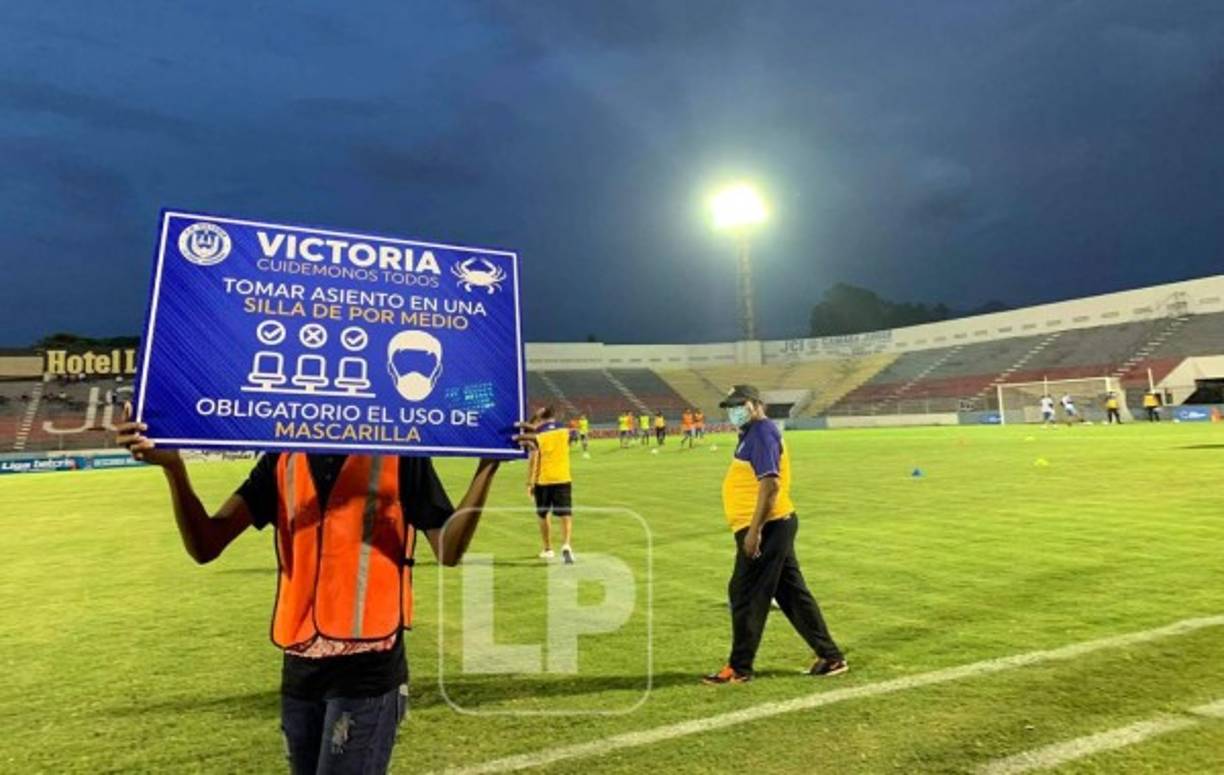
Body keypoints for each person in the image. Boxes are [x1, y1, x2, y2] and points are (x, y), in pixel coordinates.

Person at [114, 404, 507, 774]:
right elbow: (206, 545)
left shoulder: (400, 453)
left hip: (368, 665)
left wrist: (487, 467)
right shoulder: (281, 458)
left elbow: (448, 549)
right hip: (300, 663)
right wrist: (173, 469)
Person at [703, 385, 846, 684]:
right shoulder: (752, 434)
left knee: (744, 593)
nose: (733, 411)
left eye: (739, 404)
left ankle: (739, 668)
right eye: (730, 406)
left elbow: (770, 485)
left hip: (768, 527)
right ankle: (831, 657)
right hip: (773, 525)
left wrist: (754, 532)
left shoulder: (762, 432)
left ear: (756, 404)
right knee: (793, 594)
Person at [526, 406, 575, 564]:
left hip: (543, 479)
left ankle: (548, 548)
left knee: (543, 514)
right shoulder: (565, 431)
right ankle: (566, 544)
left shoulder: (538, 433)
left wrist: (529, 482)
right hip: (563, 477)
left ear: (541, 418)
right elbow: (571, 442)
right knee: (565, 513)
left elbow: (533, 457)